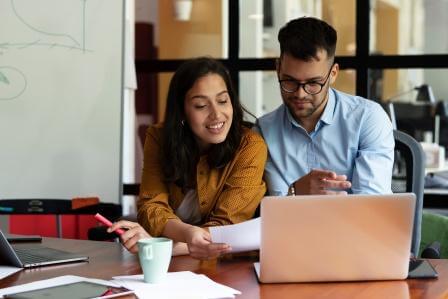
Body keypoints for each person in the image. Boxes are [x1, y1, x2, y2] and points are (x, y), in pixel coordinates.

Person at [109, 57, 267, 260]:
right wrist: (186, 235)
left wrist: (160, 246)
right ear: (182, 111)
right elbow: (151, 205)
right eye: (201, 105)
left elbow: (225, 229)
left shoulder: (250, 146)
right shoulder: (159, 137)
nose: (217, 114)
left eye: (222, 101)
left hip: (227, 264)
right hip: (171, 267)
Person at [255, 17, 394, 196]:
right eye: (290, 81)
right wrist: (295, 192)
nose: (300, 94)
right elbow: (269, 212)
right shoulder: (263, 132)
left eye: (313, 83)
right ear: (278, 69)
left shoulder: (367, 118)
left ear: (333, 73)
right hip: (292, 225)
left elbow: (372, 207)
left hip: (356, 224)